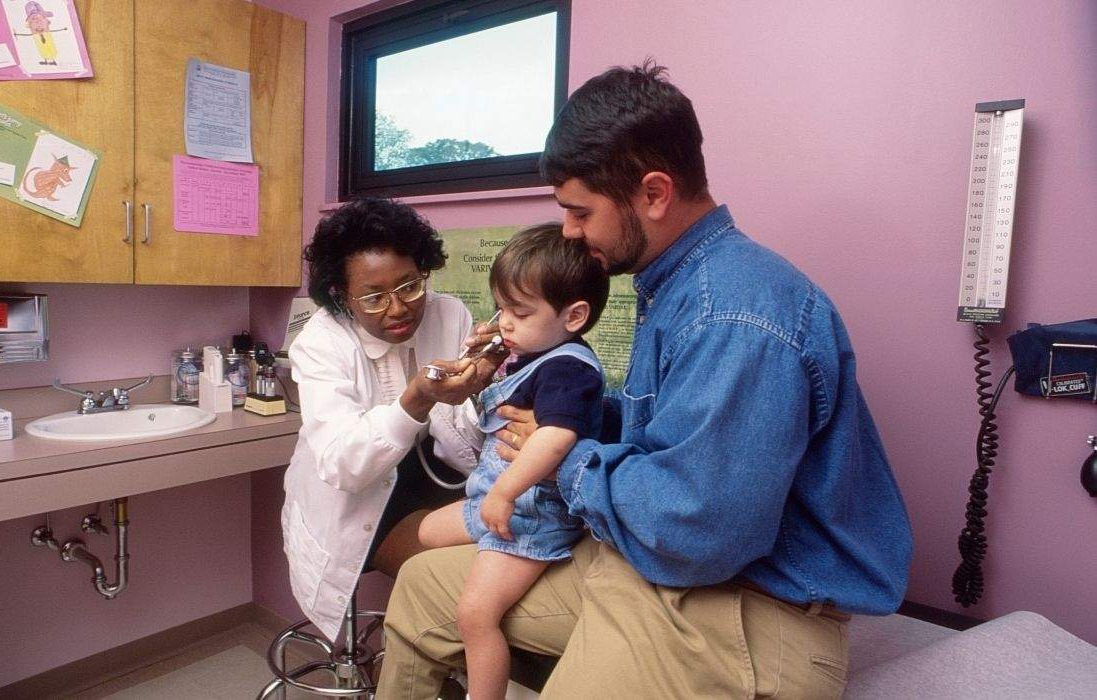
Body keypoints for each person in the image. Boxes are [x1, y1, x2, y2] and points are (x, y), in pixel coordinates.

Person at [377, 62, 912, 698]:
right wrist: (562, 410)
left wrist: (564, 460)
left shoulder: (732, 313)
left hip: (739, 605)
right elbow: (679, 434)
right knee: (421, 587)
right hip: (651, 565)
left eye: (580, 213)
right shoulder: (676, 287)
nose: (570, 233)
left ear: (654, 194)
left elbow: (696, 529)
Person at [280, 198, 505, 642]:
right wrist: (413, 402)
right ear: (342, 296)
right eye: (373, 296)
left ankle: (434, 660)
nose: (398, 308)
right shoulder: (321, 342)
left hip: (439, 477)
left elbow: (465, 437)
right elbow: (343, 464)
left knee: (505, 556)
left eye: (409, 286)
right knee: (465, 584)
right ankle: (421, 662)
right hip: (361, 499)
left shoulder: (449, 313)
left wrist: (482, 387)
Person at [417, 224, 608, 700]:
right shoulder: (535, 352)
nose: (504, 323)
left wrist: (503, 493)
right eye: (501, 308)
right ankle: (494, 557)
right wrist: (485, 359)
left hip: (532, 513)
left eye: (520, 313)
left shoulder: (568, 369)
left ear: (574, 316)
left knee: (474, 616)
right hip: (500, 499)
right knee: (427, 532)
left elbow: (555, 439)